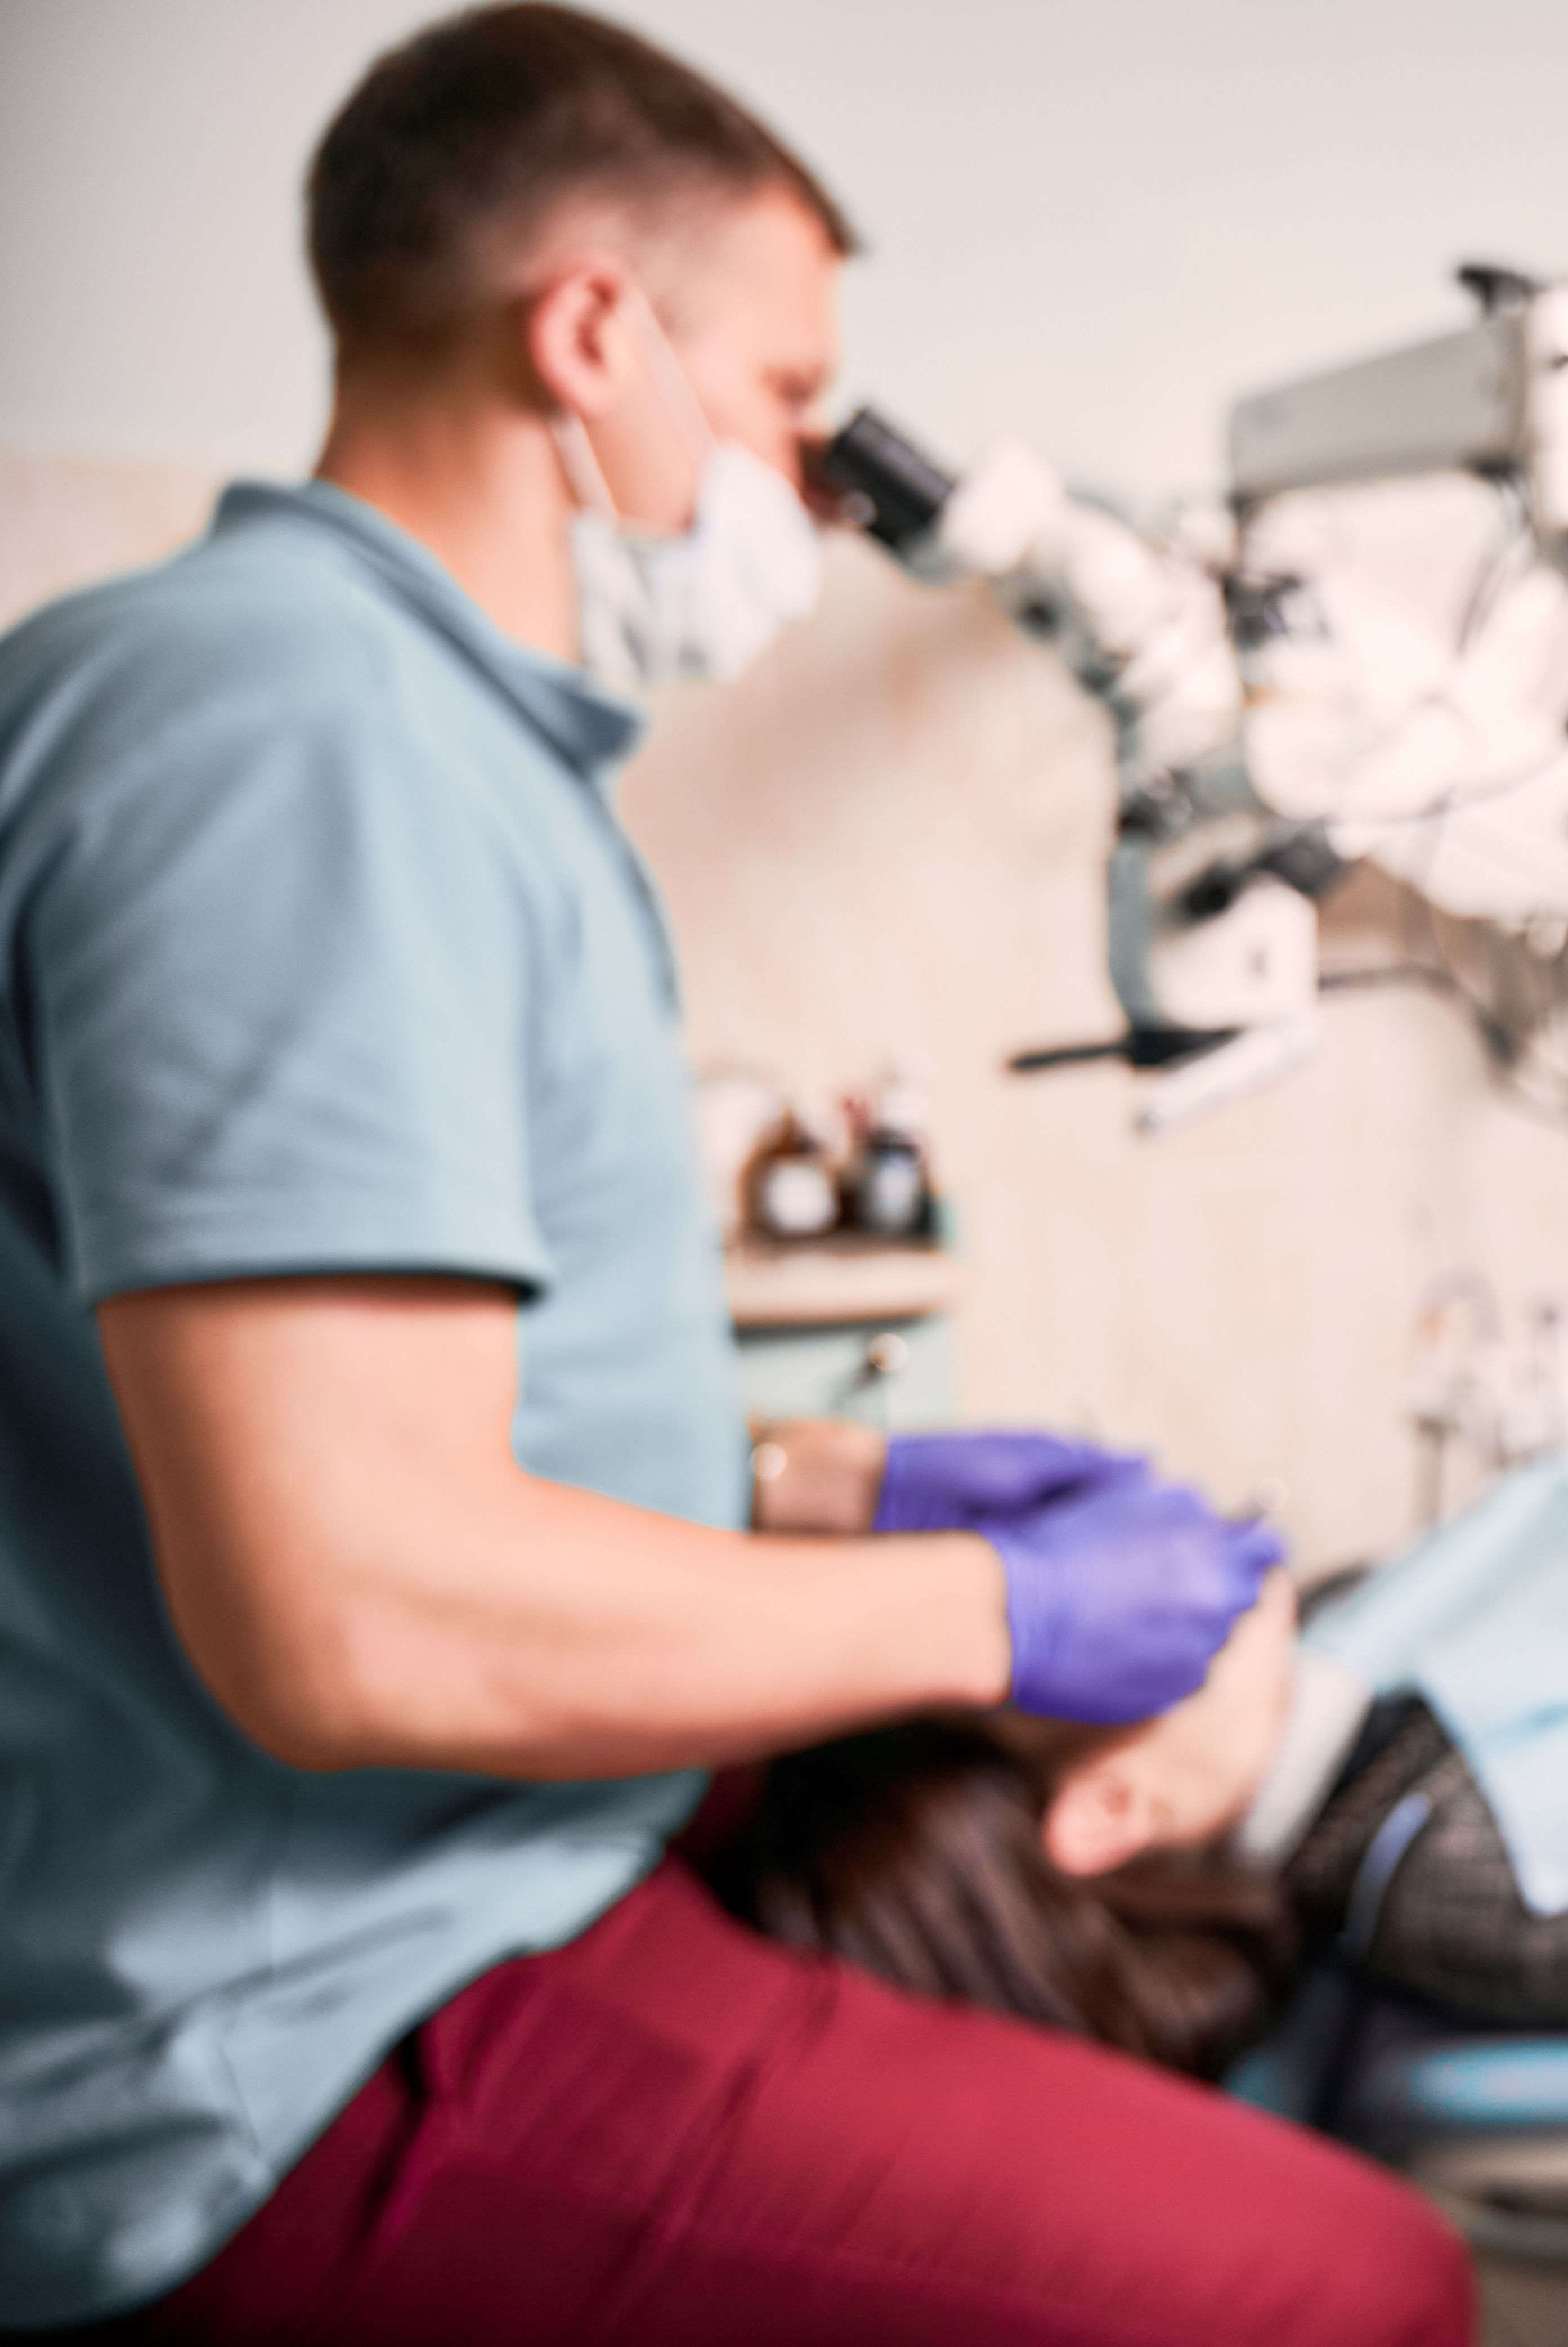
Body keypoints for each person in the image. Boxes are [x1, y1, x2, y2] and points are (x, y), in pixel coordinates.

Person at [0, 10, 1472, 2340]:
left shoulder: (405, 735)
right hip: (296, 2023)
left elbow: (340, 1401)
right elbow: (354, 1604)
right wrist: (1000, 1612)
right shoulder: (300, 732)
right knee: (1349, 2281)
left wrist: (817, 1480)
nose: (816, 484)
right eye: (790, 402)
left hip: (460, 1863)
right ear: (591, 333)